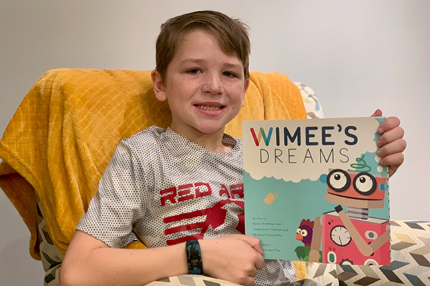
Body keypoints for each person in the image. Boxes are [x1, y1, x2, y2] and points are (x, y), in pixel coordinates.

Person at [61, 10, 406, 286]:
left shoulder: (269, 157)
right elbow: (78, 272)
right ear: (161, 84)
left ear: (245, 87)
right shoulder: (143, 154)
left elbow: (331, 231)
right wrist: (196, 255)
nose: (213, 86)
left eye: (229, 73)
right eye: (194, 70)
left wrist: (373, 170)